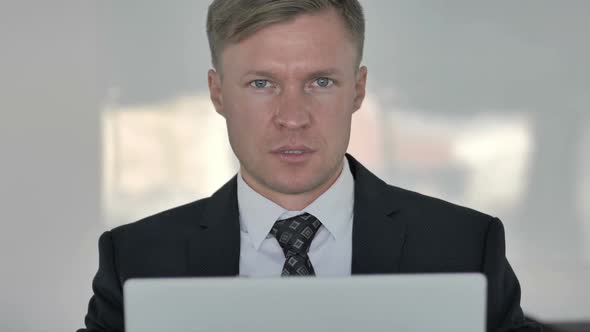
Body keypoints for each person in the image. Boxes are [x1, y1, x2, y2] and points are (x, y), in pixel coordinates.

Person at [79, 0, 541, 331]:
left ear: (358, 90)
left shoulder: (464, 246)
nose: (293, 117)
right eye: (262, 83)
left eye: (320, 81)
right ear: (217, 93)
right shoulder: (136, 259)